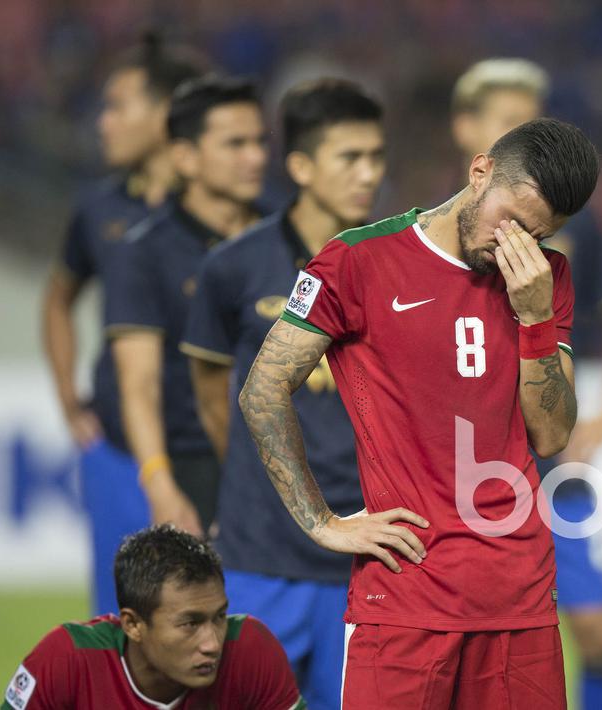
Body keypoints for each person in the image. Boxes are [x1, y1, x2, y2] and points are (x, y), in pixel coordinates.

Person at [239, 117, 599, 708]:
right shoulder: (357, 260)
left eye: (538, 234)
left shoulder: (543, 278)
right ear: (480, 171)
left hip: (521, 599)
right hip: (404, 601)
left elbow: (553, 435)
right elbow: (263, 388)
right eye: (510, 221)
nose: (515, 245)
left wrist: (535, 319)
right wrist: (320, 522)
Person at [451, 58, 602, 710]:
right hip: (460, 472)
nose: (527, 136)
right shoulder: (432, 230)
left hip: (545, 464)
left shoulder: (572, 226)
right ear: (469, 133)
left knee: (596, 631)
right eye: (511, 121)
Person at [180, 78, 384, 710]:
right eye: (350, 157)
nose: (369, 173)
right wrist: (261, 477)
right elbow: (214, 394)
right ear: (300, 166)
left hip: (365, 549)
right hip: (260, 551)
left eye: (376, 156)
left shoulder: (397, 265)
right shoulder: (233, 266)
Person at [40, 33, 206, 616]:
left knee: (210, 623)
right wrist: (68, 397)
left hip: (209, 453)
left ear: (164, 115)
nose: (103, 122)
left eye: (117, 106)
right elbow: (57, 300)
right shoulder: (98, 209)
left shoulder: (223, 208)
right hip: (119, 452)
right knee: (120, 621)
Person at [107, 75, 269, 537]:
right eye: (235, 144)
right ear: (185, 157)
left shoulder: (287, 235)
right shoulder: (144, 252)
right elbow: (139, 385)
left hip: (287, 460)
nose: (256, 157)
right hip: (191, 465)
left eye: (259, 141)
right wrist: (161, 486)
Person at [3, 525, 304, 709]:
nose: (212, 644)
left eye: (219, 617)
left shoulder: (250, 650)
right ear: (133, 625)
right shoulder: (67, 660)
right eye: (190, 624)